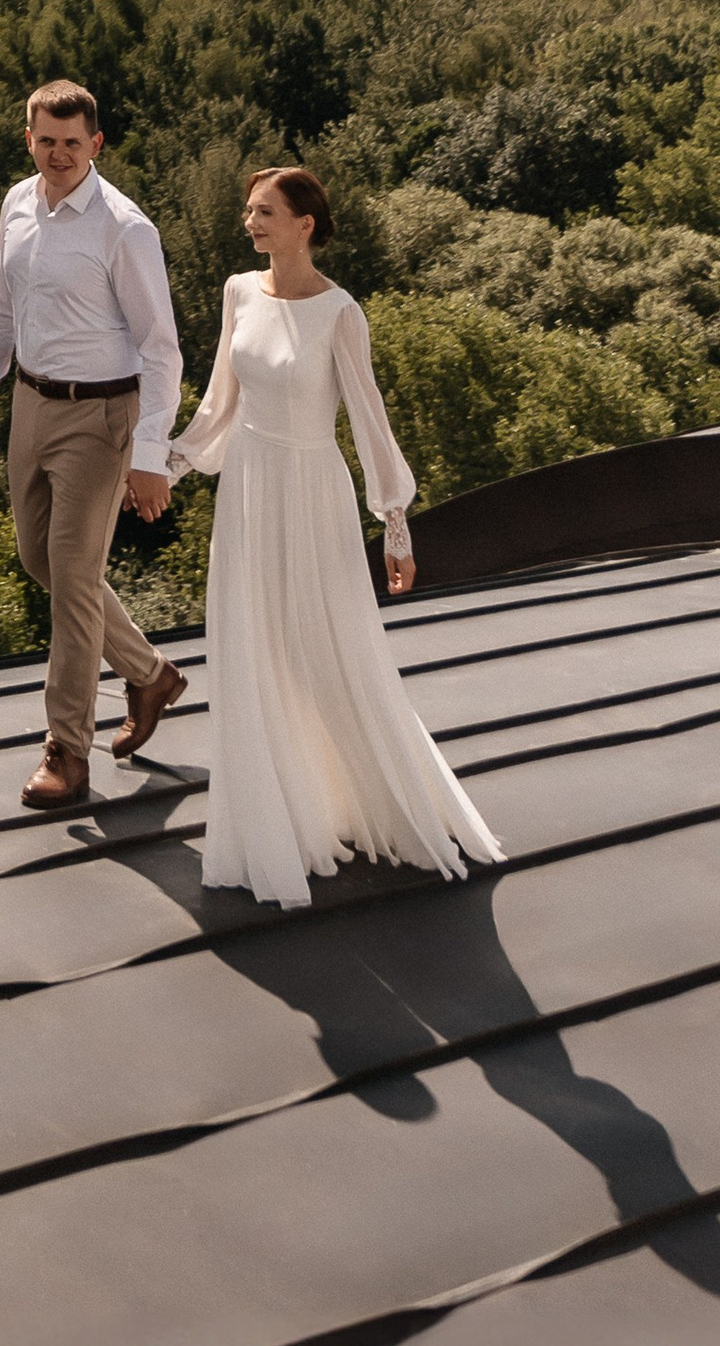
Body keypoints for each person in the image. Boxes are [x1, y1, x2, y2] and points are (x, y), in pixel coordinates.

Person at [166, 164, 504, 910]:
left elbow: (369, 417)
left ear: (304, 224)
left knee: (327, 643)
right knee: (253, 645)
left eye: (264, 212)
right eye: (249, 211)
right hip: (249, 488)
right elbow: (220, 401)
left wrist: (396, 525)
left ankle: (381, 798)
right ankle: (278, 819)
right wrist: (173, 463)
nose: (250, 223)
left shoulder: (340, 313)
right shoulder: (237, 292)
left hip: (312, 491)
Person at [0, 80, 186, 814]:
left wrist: (150, 453)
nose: (58, 154)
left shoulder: (125, 229)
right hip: (32, 402)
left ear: (96, 144)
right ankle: (149, 673)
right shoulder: (16, 205)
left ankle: (67, 751)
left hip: (102, 418)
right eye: (45, 140)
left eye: (72, 142)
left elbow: (161, 350)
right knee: (42, 561)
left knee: (74, 584)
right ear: (29, 138)